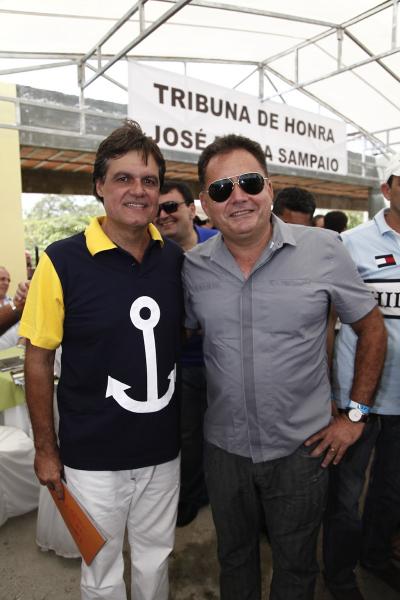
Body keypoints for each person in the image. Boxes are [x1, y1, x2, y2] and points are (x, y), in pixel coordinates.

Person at [182, 134, 387, 600]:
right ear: (205, 205)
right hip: (225, 450)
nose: (238, 197)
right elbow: (177, 334)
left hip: (302, 450)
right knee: (234, 558)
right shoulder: (193, 268)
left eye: (250, 183)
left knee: (296, 566)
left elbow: (372, 328)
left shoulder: (324, 249)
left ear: (269, 189)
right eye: (222, 189)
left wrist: (355, 415)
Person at [20, 120, 183, 600]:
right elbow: (38, 359)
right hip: (92, 458)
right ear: (99, 186)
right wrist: (46, 449)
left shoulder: (174, 260)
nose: (138, 190)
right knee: (102, 571)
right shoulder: (61, 261)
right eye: (123, 178)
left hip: (162, 450)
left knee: (156, 559)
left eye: (149, 180)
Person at [323, 153, 400, 600]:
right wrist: (330, 392)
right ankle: (339, 575)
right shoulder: (351, 244)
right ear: (387, 189)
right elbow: (327, 321)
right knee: (345, 497)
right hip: (358, 399)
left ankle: (375, 557)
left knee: (391, 491)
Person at [155, 180, 217, 526]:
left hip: (226, 358)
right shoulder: (154, 254)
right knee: (189, 435)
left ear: (192, 210)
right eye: (157, 209)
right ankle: (191, 496)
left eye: (171, 207)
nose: (163, 215)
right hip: (183, 362)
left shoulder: (219, 243)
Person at [0, 266, 21, 349]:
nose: (6, 283)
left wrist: (21, 344)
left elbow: (24, 328)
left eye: (8, 280)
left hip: (17, 354)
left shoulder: (15, 302)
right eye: (2, 279)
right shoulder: (16, 305)